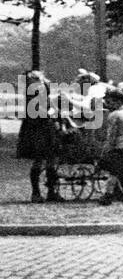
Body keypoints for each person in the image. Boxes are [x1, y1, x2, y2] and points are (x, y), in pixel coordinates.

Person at [16, 70, 62, 203]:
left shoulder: (42, 92)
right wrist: (53, 111)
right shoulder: (33, 95)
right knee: (40, 160)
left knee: (50, 160)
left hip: (46, 128)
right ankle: (36, 192)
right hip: (38, 129)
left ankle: (51, 192)